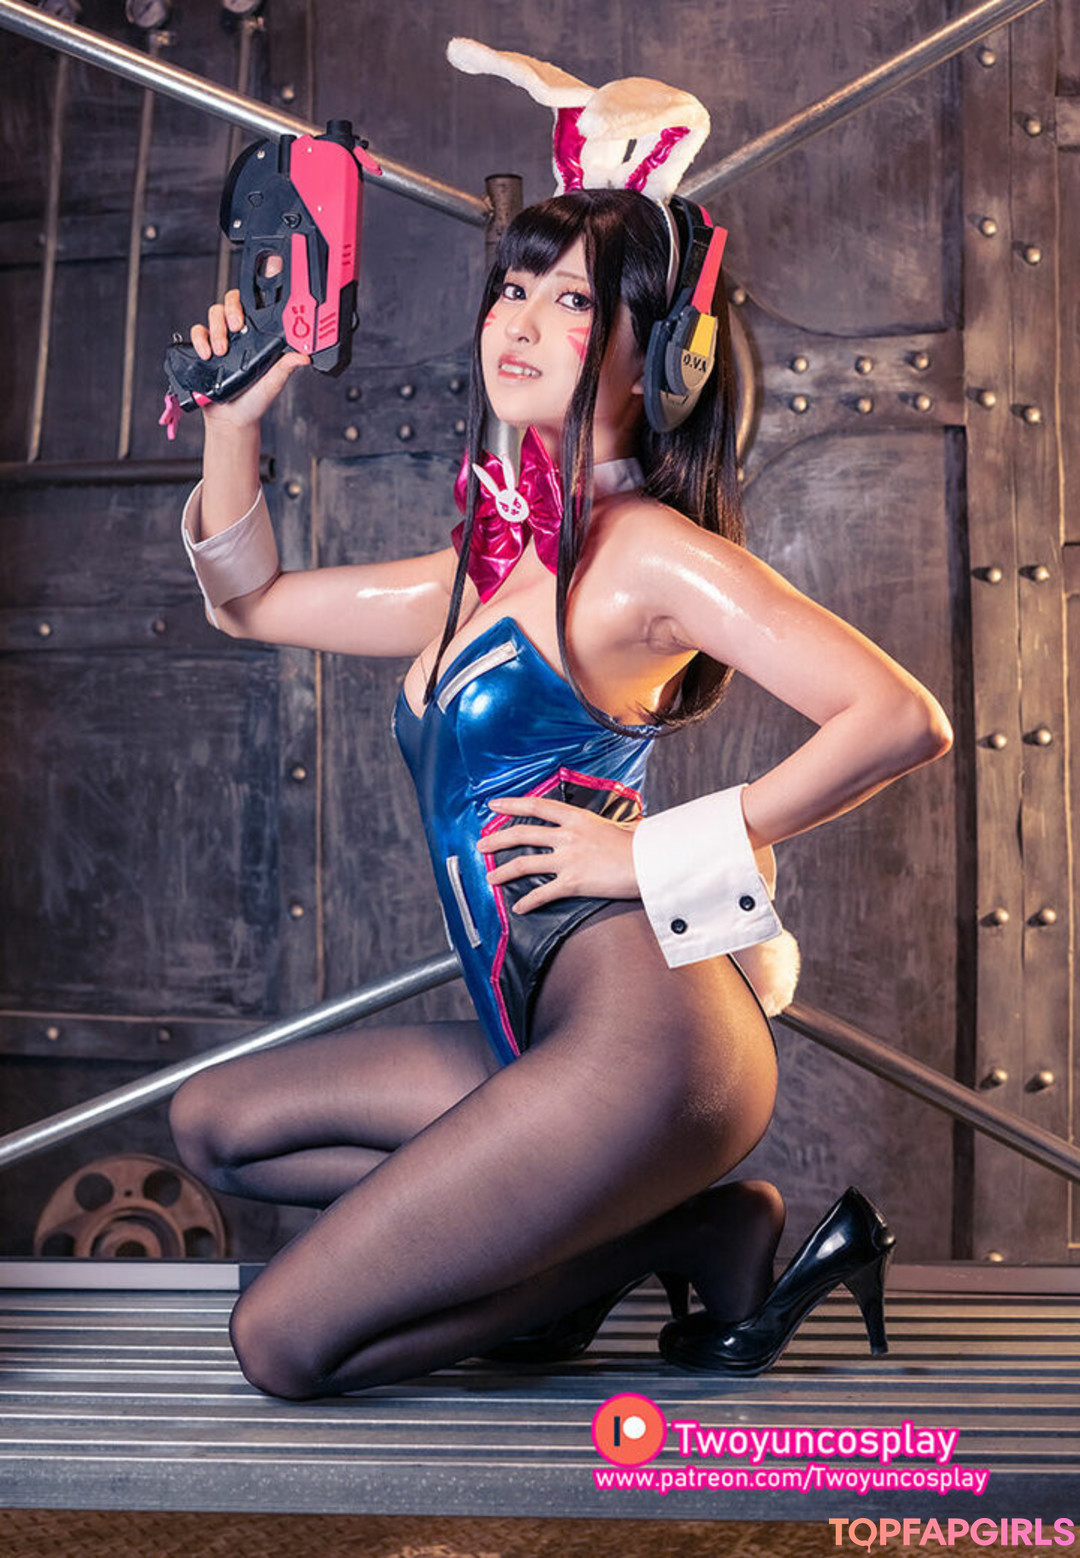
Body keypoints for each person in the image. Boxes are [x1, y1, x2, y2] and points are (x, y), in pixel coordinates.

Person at [167, 44, 952, 1399]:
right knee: (215, 1124)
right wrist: (237, 415)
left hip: (649, 1041)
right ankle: (676, 1231)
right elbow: (253, 603)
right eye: (513, 288)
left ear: (662, 357)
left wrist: (645, 855)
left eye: (572, 298)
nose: (517, 322)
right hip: (533, 1022)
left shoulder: (643, 554)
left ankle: (675, 1229)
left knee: (278, 1341)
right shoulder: (481, 567)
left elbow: (897, 716)